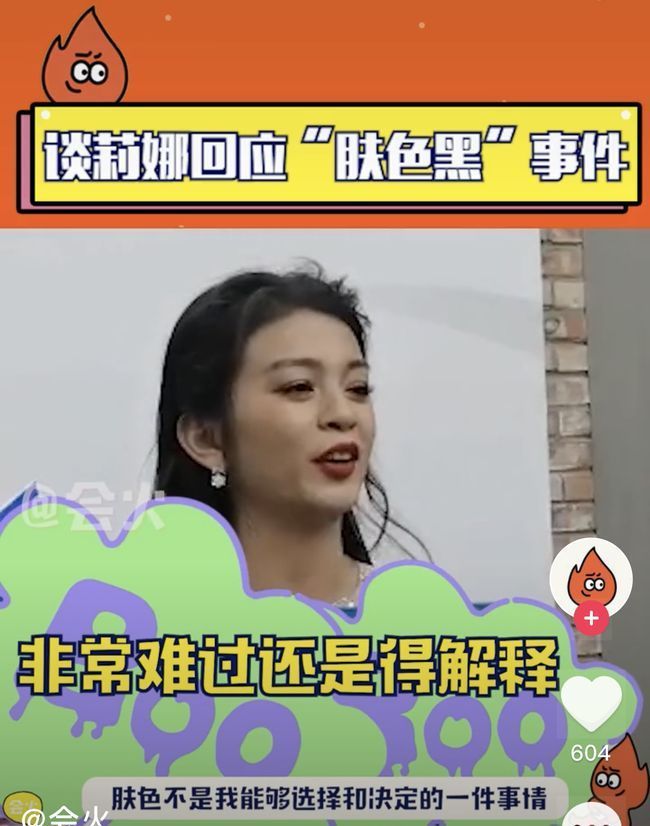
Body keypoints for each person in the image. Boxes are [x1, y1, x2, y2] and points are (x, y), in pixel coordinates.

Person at [154, 261, 425, 612]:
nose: (343, 414)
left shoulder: (420, 619)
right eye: (299, 387)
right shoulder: (148, 623)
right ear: (206, 438)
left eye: (357, 388)